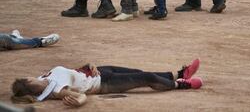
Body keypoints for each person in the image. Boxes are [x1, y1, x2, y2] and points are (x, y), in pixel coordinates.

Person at [11, 59, 202, 107]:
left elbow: (69, 72)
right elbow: (81, 95)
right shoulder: (56, 91)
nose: (34, 79)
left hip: (97, 71)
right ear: (32, 90)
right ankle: (182, 84)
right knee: (147, 79)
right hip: (105, 83)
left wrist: (87, 65)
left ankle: (178, 73)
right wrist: (79, 102)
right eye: (31, 82)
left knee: (139, 73)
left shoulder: (45, 78)